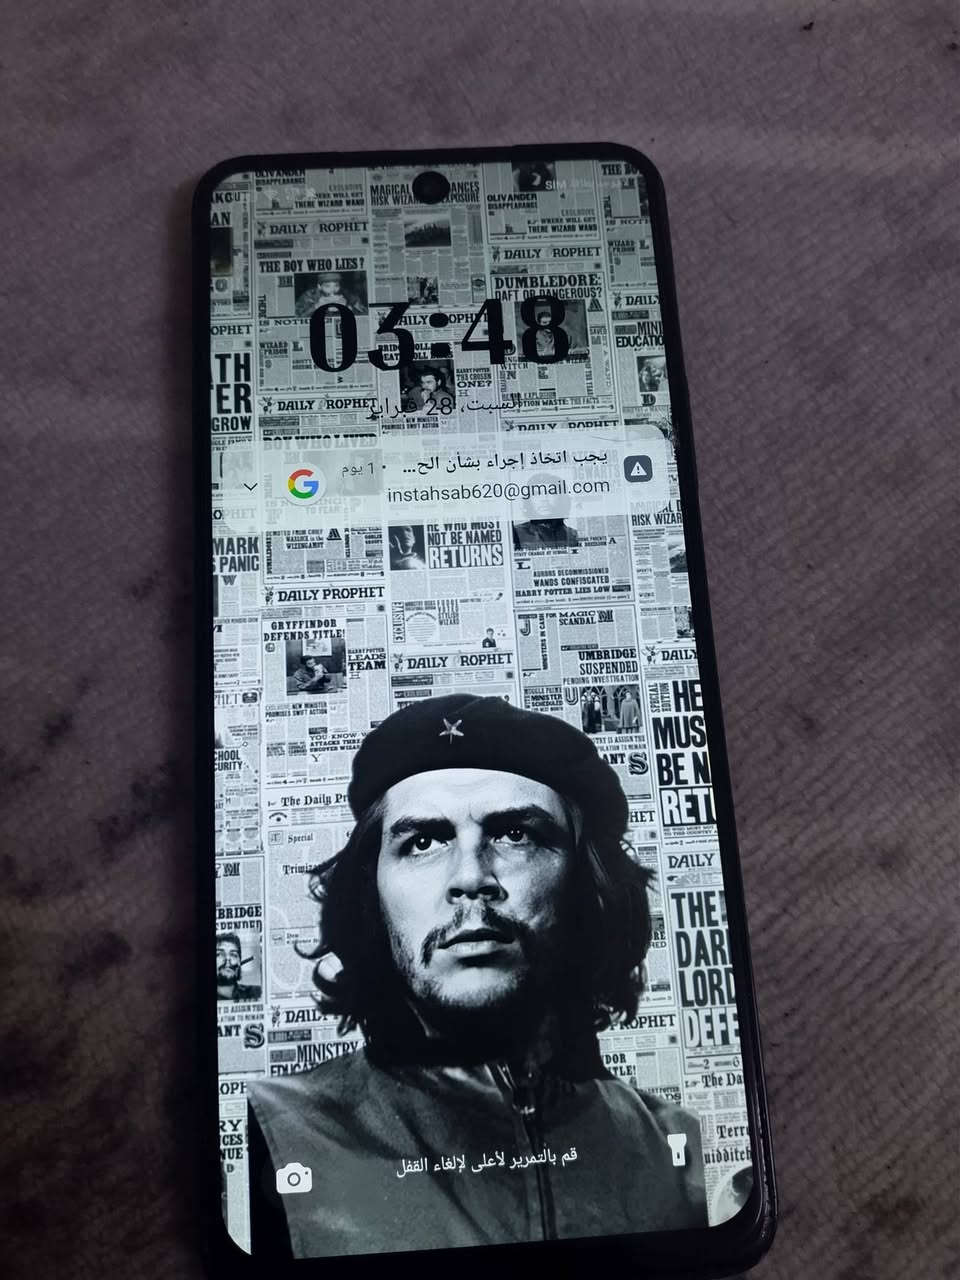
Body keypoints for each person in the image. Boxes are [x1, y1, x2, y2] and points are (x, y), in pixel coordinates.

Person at [247, 694, 707, 1258]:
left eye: (515, 835)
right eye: (423, 842)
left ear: (589, 888)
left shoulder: (680, 1153)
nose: (469, 877)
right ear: (371, 895)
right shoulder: (270, 1135)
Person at [512, 475, 579, 549]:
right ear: (529, 500)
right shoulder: (516, 532)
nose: (544, 499)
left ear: (561, 498)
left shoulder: (574, 536)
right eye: (537, 494)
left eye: (551, 492)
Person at [216, 933, 262, 1001]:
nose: (227, 959)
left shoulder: (257, 992)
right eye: (220, 954)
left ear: (239, 962)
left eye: (233, 954)